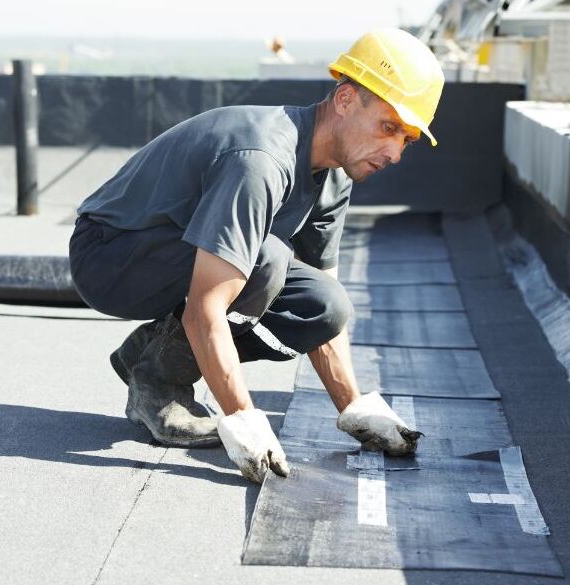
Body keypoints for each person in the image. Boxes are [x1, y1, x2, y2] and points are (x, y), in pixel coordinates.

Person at [69, 29, 445, 483]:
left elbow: (322, 295)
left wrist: (354, 407)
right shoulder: (262, 159)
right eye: (389, 127)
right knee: (266, 260)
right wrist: (242, 416)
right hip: (112, 254)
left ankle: (149, 355)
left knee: (325, 306)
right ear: (345, 100)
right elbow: (207, 305)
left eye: (407, 139)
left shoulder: (335, 176)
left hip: (178, 260)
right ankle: (158, 387)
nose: (395, 153)